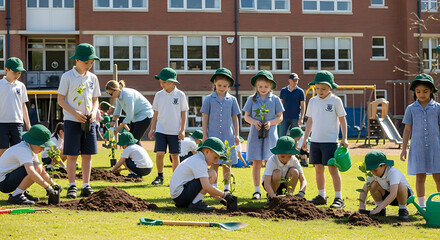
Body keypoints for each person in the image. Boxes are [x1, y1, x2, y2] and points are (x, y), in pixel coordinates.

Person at [57, 43, 101, 198]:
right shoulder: (67, 77)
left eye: (91, 62)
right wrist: (75, 114)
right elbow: (61, 100)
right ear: (76, 60)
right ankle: (71, 185)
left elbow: (95, 100)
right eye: (86, 62)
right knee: (72, 155)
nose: (89, 65)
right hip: (72, 121)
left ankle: (86, 185)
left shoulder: (93, 78)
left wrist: (94, 113)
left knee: (87, 154)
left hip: (89, 122)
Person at [302, 70, 348, 208]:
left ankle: (339, 198)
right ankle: (321, 196)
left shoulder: (336, 101)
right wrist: (305, 138)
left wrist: (344, 138)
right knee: (318, 169)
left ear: (330, 88)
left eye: (323, 88)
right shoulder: (312, 101)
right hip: (315, 141)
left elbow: (343, 120)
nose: (320, 91)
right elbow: (309, 121)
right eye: (317, 88)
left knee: (333, 169)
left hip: (330, 142)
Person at [400, 73, 440, 209]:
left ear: (431, 91)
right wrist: (404, 148)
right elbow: (407, 130)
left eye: (425, 91)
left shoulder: (438, 108)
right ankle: (422, 206)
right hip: (418, 148)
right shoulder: (410, 109)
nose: (421, 94)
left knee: (438, 176)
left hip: (436, 148)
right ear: (414, 92)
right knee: (420, 176)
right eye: (418, 91)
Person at [243, 70, 284, 200]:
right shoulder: (251, 99)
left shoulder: (275, 99)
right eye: (260, 87)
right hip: (255, 135)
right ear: (256, 86)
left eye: (266, 87)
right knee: (256, 162)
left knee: (269, 162)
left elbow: (280, 117)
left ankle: (269, 190)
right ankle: (256, 190)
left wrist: (271, 122)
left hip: (270, 135)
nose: (263, 89)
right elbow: (246, 117)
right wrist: (254, 122)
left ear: (271, 86)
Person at [169, 137, 237, 212]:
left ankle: (194, 203)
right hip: (181, 196)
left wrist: (220, 199)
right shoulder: (200, 161)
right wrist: (225, 195)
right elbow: (206, 186)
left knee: (210, 173)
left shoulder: (198, 159)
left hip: (179, 197)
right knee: (212, 174)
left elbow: (205, 186)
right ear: (207, 151)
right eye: (215, 157)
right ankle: (196, 204)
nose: (216, 161)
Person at [201, 68, 241, 193]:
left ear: (228, 86)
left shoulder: (232, 100)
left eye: (225, 86)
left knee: (226, 163)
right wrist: (204, 135)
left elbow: (235, 118)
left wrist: (237, 135)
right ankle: (214, 186)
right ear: (214, 83)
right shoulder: (208, 99)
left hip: (228, 137)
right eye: (219, 85)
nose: (222, 88)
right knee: (214, 163)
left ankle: (226, 188)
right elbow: (205, 118)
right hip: (213, 137)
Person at [0, 124, 61, 205]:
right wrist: (48, 187)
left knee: (38, 166)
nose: (43, 149)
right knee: (36, 167)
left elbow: (41, 171)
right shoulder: (23, 149)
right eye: (42, 146)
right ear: (34, 143)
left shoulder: (29, 148)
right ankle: (16, 196)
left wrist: (53, 184)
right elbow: (32, 172)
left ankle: (22, 192)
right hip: (4, 182)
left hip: (9, 178)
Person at [148, 68, 189, 185]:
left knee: (174, 155)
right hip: (161, 130)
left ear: (172, 82)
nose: (162, 84)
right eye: (160, 82)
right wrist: (152, 128)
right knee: (160, 153)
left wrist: (182, 130)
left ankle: (176, 179)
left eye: (164, 82)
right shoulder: (158, 95)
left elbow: (184, 113)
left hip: (175, 131)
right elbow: (155, 113)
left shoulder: (180, 95)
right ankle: (160, 177)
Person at [359, 150, 413, 220]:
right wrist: (361, 207)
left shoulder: (393, 173)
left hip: (404, 197)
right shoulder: (373, 173)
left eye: (375, 170)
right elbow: (364, 189)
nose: (373, 173)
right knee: (373, 184)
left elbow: (393, 194)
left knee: (401, 186)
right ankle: (381, 210)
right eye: (371, 170)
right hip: (388, 197)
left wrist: (378, 208)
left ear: (384, 165)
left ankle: (403, 210)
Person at [105, 80, 154, 144]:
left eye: (110, 93)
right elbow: (117, 111)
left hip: (145, 115)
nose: (110, 95)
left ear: (116, 90)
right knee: (130, 140)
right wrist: (113, 122)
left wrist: (118, 129)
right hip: (135, 117)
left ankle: (140, 154)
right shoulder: (118, 97)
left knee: (133, 141)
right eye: (108, 93)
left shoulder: (128, 96)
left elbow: (129, 116)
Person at [0, 57, 31, 157]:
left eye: (19, 73)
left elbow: (23, 105)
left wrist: (28, 124)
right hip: (2, 123)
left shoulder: (21, 86)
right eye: (15, 72)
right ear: (6, 70)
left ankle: (15, 171)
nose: (17, 75)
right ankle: (2, 171)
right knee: (3, 150)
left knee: (18, 149)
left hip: (17, 123)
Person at [263, 136, 307, 205]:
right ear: (277, 153)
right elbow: (266, 183)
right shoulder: (272, 160)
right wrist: (273, 197)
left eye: (289, 156)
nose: (285, 159)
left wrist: (301, 192)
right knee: (277, 173)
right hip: (271, 185)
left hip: (286, 183)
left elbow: (303, 180)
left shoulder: (294, 160)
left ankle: (289, 196)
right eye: (282, 156)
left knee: (294, 171)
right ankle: (271, 196)